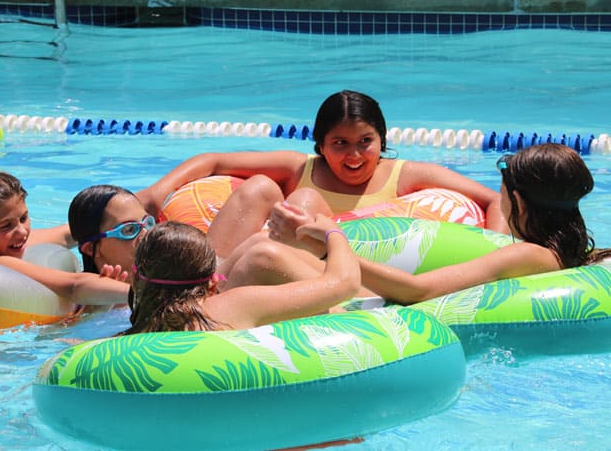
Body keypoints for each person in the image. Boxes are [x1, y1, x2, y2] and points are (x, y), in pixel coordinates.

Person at [139, 90, 507, 260]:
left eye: (366, 141)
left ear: (382, 140)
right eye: (340, 143)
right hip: (258, 263)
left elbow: (494, 198)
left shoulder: (407, 176)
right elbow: (213, 160)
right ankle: (207, 282)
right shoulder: (299, 169)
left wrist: (497, 254)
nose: (354, 155)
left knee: (302, 203)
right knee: (262, 188)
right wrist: (156, 192)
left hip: (336, 274)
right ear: (320, 144)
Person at [254, 143, 611, 305]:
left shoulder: (530, 256)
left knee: (264, 255)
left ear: (516, 200)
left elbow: (417, 291)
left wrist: (327, 245)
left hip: (393, 317)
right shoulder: (573, 251)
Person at [124, 217, 360, 334]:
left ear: (135, 280)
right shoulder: (235, 305)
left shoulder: (122, 342)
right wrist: (333, 233)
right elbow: (345, 283)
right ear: (213, 284)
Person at [0, 170, 130, 307]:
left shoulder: (0, 242)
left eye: (24, 218)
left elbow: (68, 234)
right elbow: (73, 286)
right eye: (6, 225)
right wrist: (139, 294)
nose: (22, 232)